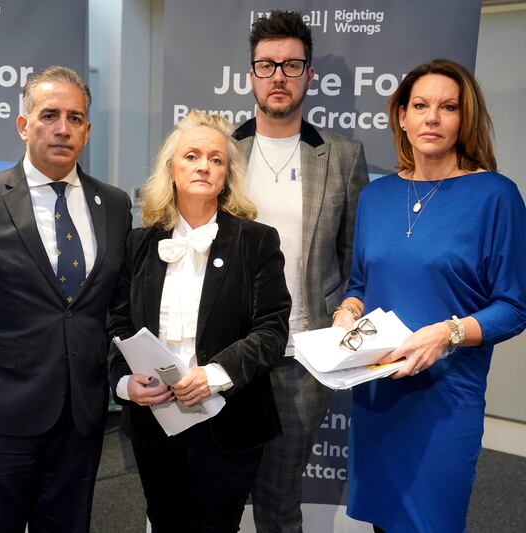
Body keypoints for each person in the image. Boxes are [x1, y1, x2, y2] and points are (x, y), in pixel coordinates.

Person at [333, 59, 526, 533]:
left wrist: (447, 333)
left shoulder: (495, 196)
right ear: (402, 115)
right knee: (383, 523)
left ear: (465, 118)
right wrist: (346, 310)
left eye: (448, 107)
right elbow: (360, 283)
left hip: (445, 398)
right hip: (378, 391)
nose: (432, 118)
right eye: (420, 105)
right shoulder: (376, 197)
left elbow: (515, 306)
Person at [0, 66, 132, 533]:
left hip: (82, 417)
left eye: (75, 118)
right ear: (23, 124)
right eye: (50, 115)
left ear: (88, 131)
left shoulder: (114, 204)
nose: (63, 128)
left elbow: (113, 306)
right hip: (2, 415)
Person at [108, 110, 292, 532]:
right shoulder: (138, 244)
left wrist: (214, 374)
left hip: (229, 420)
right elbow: (116, 327)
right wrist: (124, 384)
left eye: (216, 159)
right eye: (192, 156)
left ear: (227, 175)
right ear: (171, 169)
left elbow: (272, 329)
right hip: (155, 421)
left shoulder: (257, 241)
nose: (204, 166)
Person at [232, 11, 369, 532]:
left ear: (309, 74)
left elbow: (354, 255)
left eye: (292, 65)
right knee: (214, 488)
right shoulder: (220, 150)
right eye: (267, 65)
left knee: (281, 494)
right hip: (224, 347)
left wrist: (347, 313)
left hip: (302, 354)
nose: (279, 77)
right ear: (251, 74)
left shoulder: (341, 156)